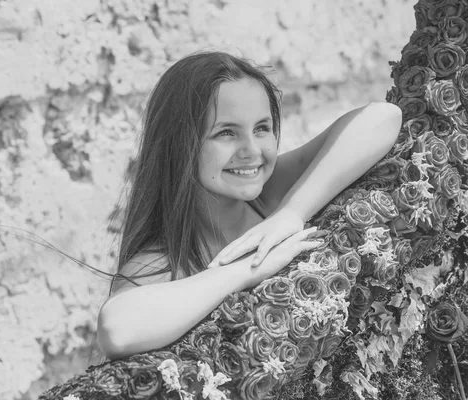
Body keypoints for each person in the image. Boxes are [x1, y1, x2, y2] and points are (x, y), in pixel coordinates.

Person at [96, 51, 402, 361]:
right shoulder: (161, 262)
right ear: (180, 143)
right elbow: (117, 330)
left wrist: (292, 213)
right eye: (226, 133)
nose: (252, 150)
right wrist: (248, 269)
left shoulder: (271, 197)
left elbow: (383, 118)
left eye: (261, 128)